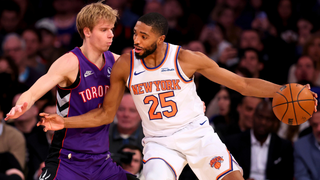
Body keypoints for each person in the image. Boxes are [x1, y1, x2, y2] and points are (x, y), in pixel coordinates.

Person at [36, 13, 317, 180]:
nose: (136, 41)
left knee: (233, 177)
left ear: (160, 40)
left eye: (143, 37)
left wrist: (282, 89)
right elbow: (105, 114)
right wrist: (65, 122)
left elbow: (241, 84)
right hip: (160, 143)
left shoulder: (186, 58)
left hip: (197, 133)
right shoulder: (126, 64)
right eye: (135, 34)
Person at [5, 2, 137, 180]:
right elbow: (34, 90)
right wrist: (22, 105)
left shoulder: (116, 62)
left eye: (112, 29)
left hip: (102, 162)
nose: (111, 35)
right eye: (104, 29)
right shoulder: (70, 62)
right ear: (87, 31)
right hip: (67, 160)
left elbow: (148, 81)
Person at [224, 99, 294, 180]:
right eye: (260, 117)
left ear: (274, 122)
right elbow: (227, 174)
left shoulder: (284, 146)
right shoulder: (233, 143)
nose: (263, 122)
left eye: (268, 119)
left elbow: (287, 176)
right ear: (254, 116)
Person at [293, 106, 320, 180]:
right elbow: (301, 175)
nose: (318, 129)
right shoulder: (301, 146)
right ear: (310, 124)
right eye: (315, 125)